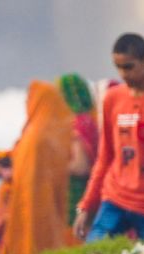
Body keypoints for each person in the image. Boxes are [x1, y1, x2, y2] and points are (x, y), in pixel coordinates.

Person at [75, 34, 144, 246]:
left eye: (129, 67)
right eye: (118, 67)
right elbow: (105, 156)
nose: (124, 74)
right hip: (114, 198)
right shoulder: (113, 99)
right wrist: (86, 206)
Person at [0, 81, 78, 254]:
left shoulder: (36, 137)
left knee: (30, 246)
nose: (26, 104)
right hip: (48, 205)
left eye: (29, 99)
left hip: (30, 203)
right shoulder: (60, 131)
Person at [57, 73, 98, 226]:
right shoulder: (89, 119)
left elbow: (80, 167)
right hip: (93, 192)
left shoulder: (77, 122)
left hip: (78, 193)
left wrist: (52, 169)